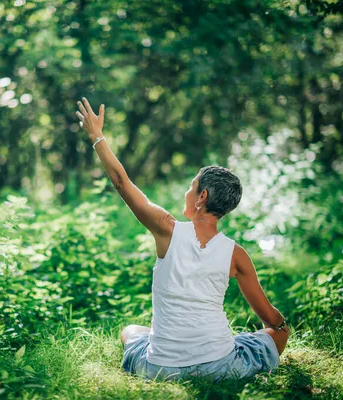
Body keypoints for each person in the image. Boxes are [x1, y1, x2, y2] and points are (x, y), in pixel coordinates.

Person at [75, 97, 290, 383]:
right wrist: (272, 331)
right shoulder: (236, 255)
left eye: (191, 187)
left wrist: (97, 136)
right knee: (274, 333)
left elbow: (121, 182)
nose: (186, 192)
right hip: (222, 367)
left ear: (202, 197)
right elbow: (270, 318)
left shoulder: (167, 229)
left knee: (130, 331)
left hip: (160, 369)